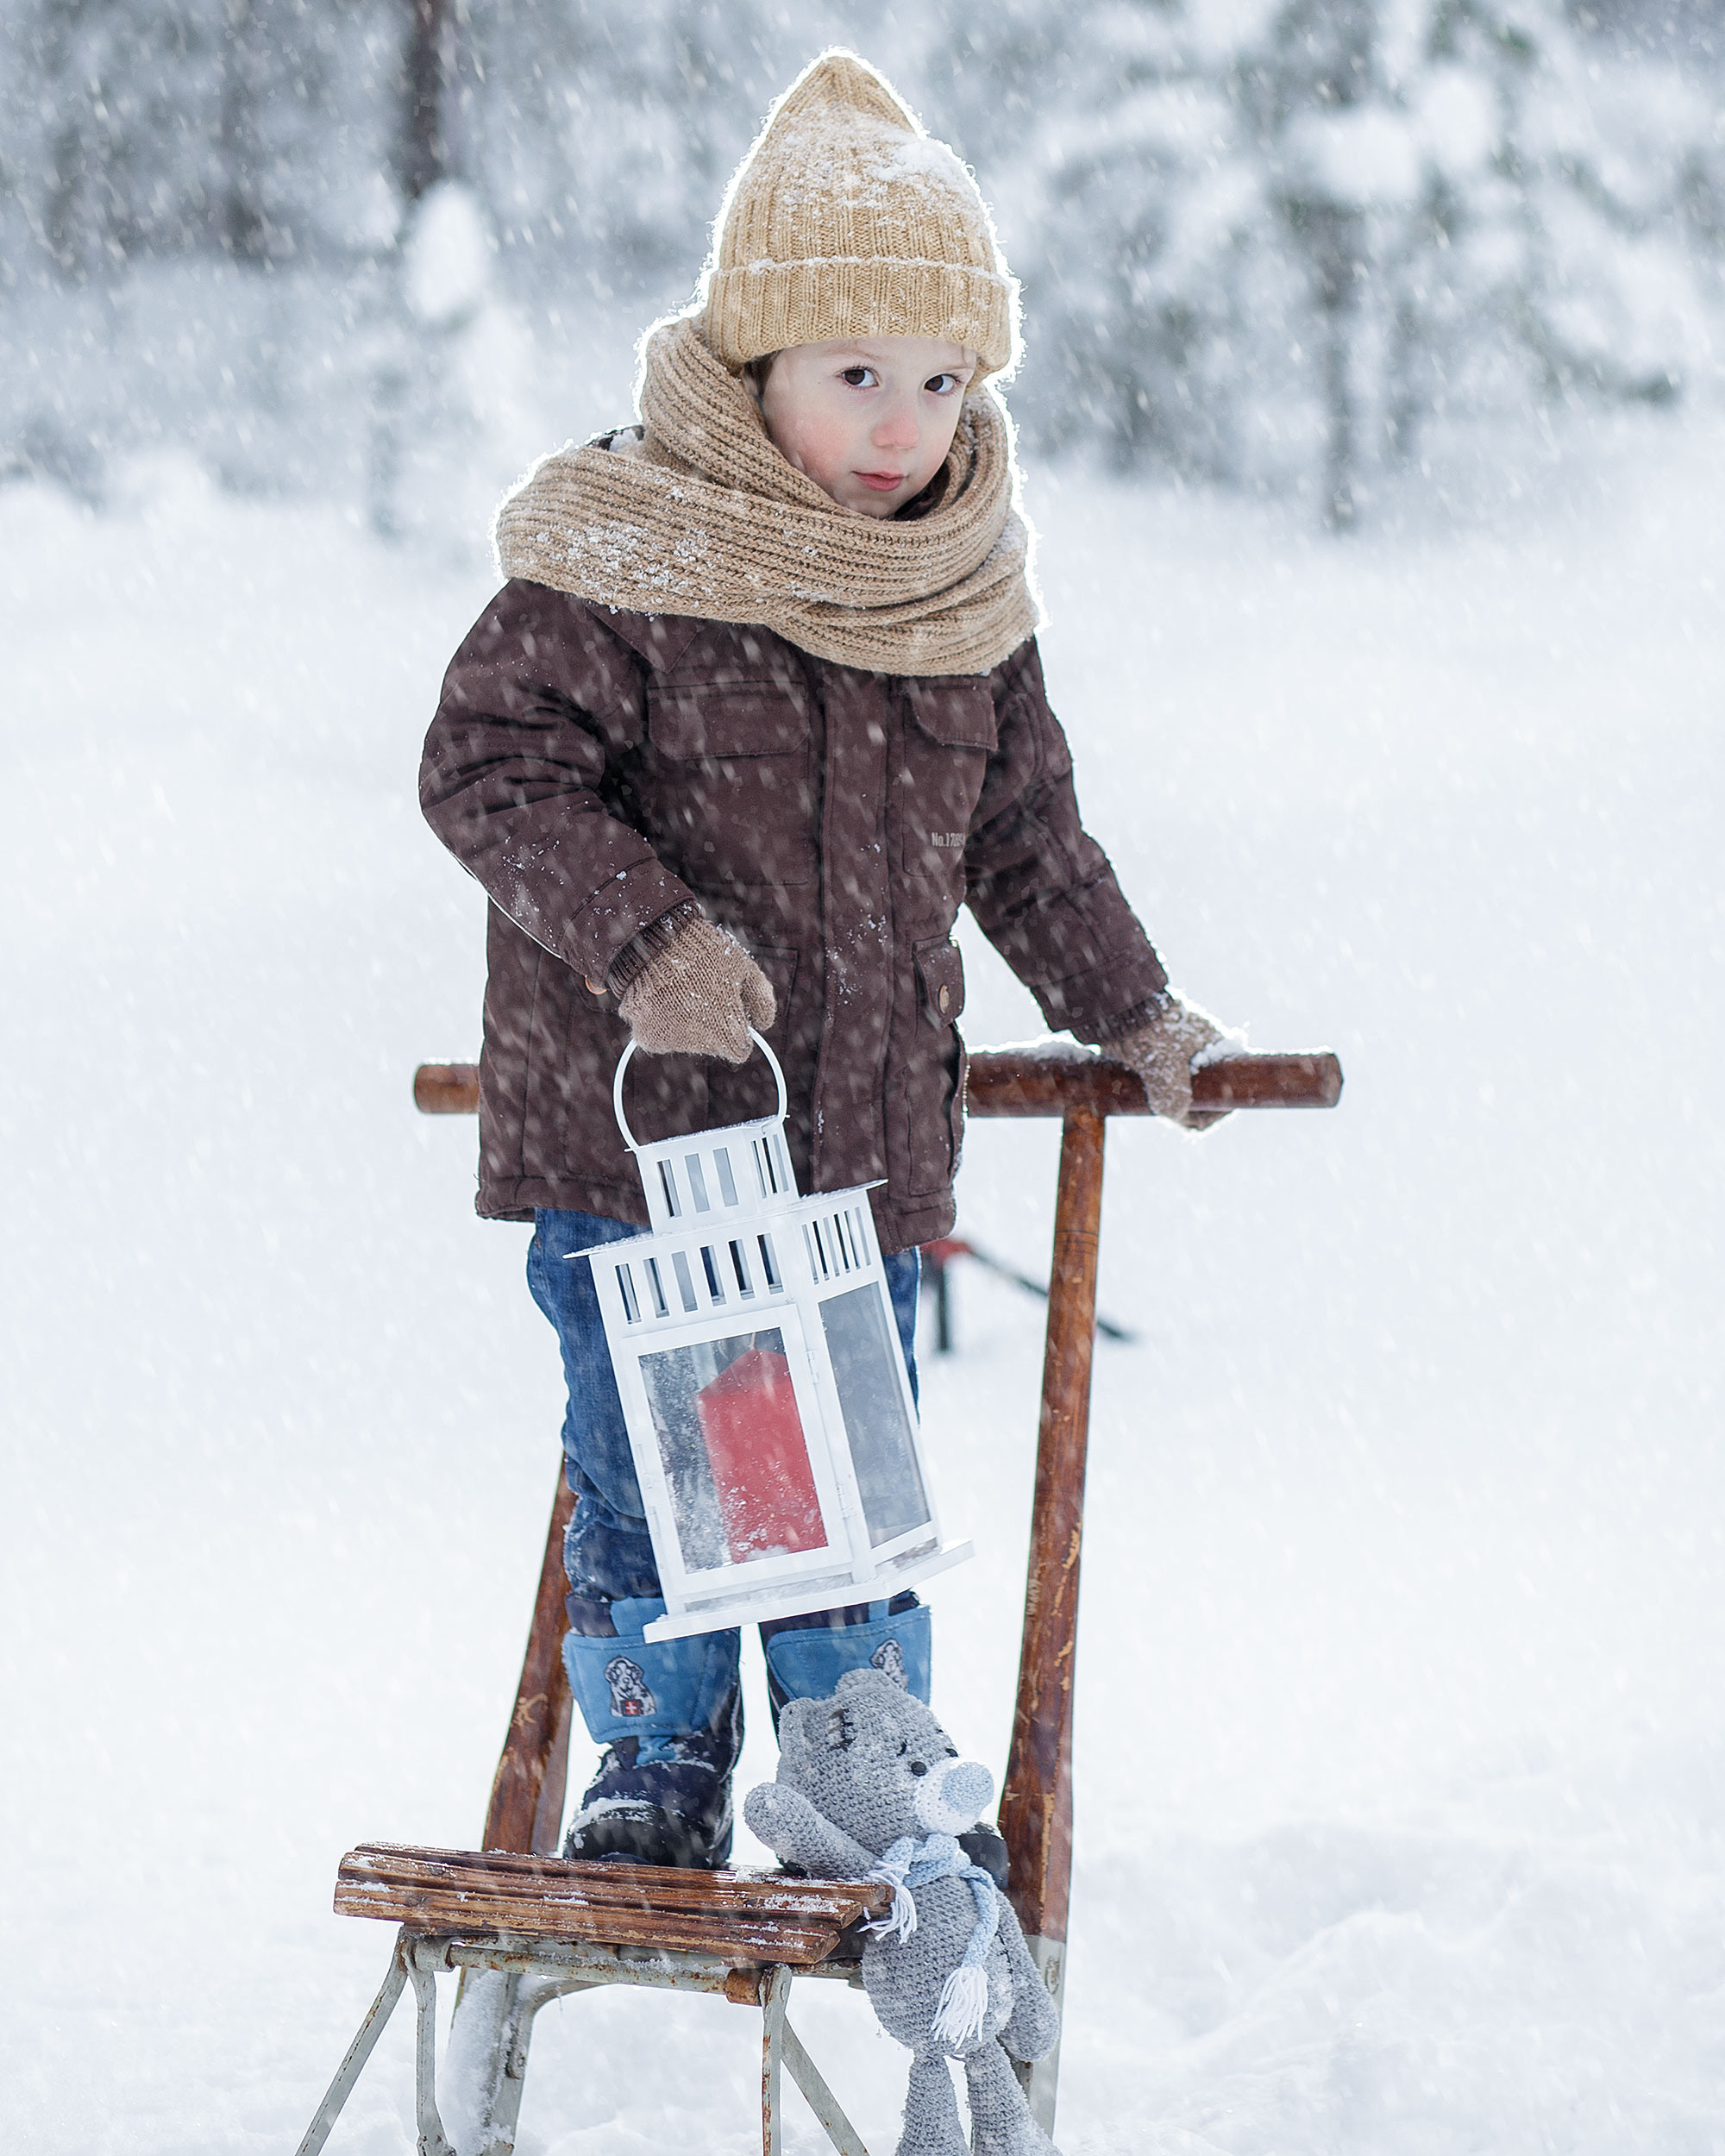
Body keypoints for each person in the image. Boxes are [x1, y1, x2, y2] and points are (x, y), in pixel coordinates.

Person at [420, 49, 1239, 1869]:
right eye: (856, 374)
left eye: (941, 380)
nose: (901, 424)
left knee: (830, 1485)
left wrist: (1135, 1010)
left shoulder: (954, 602)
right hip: (637, 1151)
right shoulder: (629, 557)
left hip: (841, 1161)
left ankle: (860, 1770)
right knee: (654, 1461)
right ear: (752, 366)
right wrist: (648, 937)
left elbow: (1026, 840)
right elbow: (486, 762)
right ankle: (654, 1760)